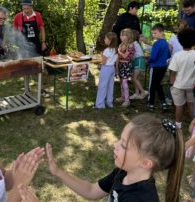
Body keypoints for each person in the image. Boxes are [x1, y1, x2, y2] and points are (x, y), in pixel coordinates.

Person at [46, 114, 184, 202]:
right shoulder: (123, 173)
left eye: (123, 145)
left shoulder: (140, 198)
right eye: (119, 140)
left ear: (146, 163)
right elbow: (91, 190)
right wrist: (57, 171)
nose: (115, 145)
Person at [169, 28, 195, 129]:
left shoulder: (177, 55)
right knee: (191, 106)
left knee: (179, 106)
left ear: (180, 41)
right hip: (192, 86)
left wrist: (171, 83)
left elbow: (173, 72)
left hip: (178, 85)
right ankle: (194, 125)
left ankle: (178, 125)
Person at [13, 0, 48, 97]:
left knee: (38, 67)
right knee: (25, 68)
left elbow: (42, 29)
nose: (26, 10)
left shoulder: (37, 15)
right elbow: (14, 30)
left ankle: (40, 89)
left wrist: (43, 42)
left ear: (31, 7)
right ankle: (27, 90)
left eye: (27, 8)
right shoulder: (18, 17)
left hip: (36, 44)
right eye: (24, 8)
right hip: (24, 46)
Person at [147, 23, 171, 111]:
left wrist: (148, 61)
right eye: (153, 33)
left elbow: (153, 57)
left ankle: (151, 104)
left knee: (152, 86)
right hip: (163, 67)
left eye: (155, 33)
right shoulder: (165, 43)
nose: (154, 35)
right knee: (158, 84)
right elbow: (168, 55)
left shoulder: (156, 44)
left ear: (161, 32)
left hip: (155, 67)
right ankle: (163, 102)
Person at [95, 32, 118, 109]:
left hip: (106, 68)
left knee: (102, 86)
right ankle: (109, 102)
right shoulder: (115, 49)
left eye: (105, 38)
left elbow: (104, 62)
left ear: (110, 40)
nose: (104, 40)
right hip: (112, 68)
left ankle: (100, 104)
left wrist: (102, 56)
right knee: (110, 86)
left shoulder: (107, 50)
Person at [115, 29, 135, 107]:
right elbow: (118, 57)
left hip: (126, 65)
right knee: (121, 82)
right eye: (121, 35)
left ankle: (127, 100)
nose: (121, 37)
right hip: (120, 65)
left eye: (124, 35)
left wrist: (118, 51)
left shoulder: (130, 45)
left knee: (124, 82)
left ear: (128, 36)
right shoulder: (120, 45)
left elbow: (125, 56)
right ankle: (122, 97)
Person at [129, 30, 148, 100]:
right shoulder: (136, 43)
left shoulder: (134, 43)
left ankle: (143, 92)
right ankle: (136, 93)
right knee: (135, 78)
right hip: (136, 60)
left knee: (135, 78)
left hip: (139, 61)